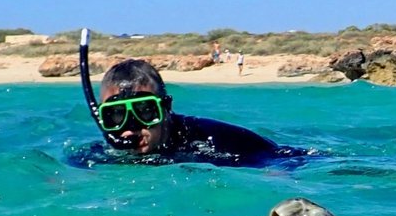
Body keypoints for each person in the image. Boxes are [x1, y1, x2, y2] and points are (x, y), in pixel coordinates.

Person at [95, 58, 306, 166]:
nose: (131, 129)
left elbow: (277, 160)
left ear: (166, 108)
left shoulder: (210, 141)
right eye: (116, 116)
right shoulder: (99, 154)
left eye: (145, 112)